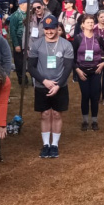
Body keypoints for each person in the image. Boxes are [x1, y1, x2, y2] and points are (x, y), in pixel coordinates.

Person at [27, 15, 74, 159]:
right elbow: (31, 67)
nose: (49, 31)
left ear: (57, 28)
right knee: (45, 114)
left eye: (52, 28)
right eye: (46, 29)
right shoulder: (37, 45)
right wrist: (44, 81)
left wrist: (58, 85)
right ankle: (46, 144)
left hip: (60, 85)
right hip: (42, 86)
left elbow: (68, 68)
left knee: (57, 114)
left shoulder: (66, 45)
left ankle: (55, 145)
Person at [73, 14, 104, 131]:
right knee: (85, 95)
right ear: (83, 25)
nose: (90, 24)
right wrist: (77, 70)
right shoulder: (78, 38)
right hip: (82, 72)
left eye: (92, 22)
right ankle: (85, 120)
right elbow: (71, 56)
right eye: (88, 22)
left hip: (96, 71)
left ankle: (94, 121)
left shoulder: (98, 38)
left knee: (95, 96)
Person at [9, 0, 27, 86]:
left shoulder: (29, 14)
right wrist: (16, 44)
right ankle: (21, 79)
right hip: (19, 40)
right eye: (28, 3)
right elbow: (12, 31)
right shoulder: (15, 15)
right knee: (19, 62)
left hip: (27, 41)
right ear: (22, 4)